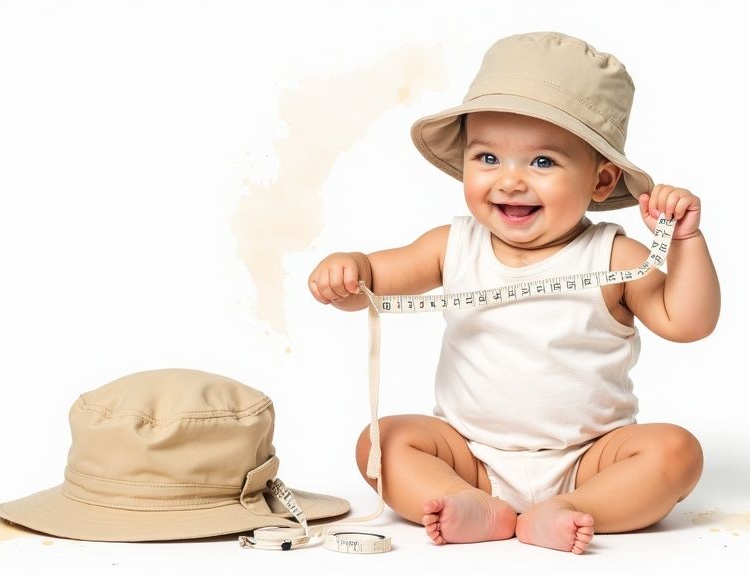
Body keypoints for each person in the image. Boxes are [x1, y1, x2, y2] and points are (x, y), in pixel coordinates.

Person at [307, 32, 720, 554]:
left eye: (543, 162)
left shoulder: (615, 256)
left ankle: (573, 508)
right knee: (382, 441)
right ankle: (468, 503)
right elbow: (373, 283)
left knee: (677, 452)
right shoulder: (452, 244)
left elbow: (687, 322)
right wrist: (348, 273)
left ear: (601, 179)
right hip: (470, 454)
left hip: (590, 457)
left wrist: (686, 241)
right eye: (487, 159)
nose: (511, 182)